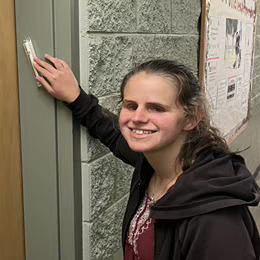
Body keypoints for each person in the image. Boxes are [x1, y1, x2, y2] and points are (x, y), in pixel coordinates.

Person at [34, 55, 260, 260]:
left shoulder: (215, 221)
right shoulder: (154, 164)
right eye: (131, 106)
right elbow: (113, 135)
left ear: (192, 119)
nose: (137, 118)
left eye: (156, 108)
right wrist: (75, 97)